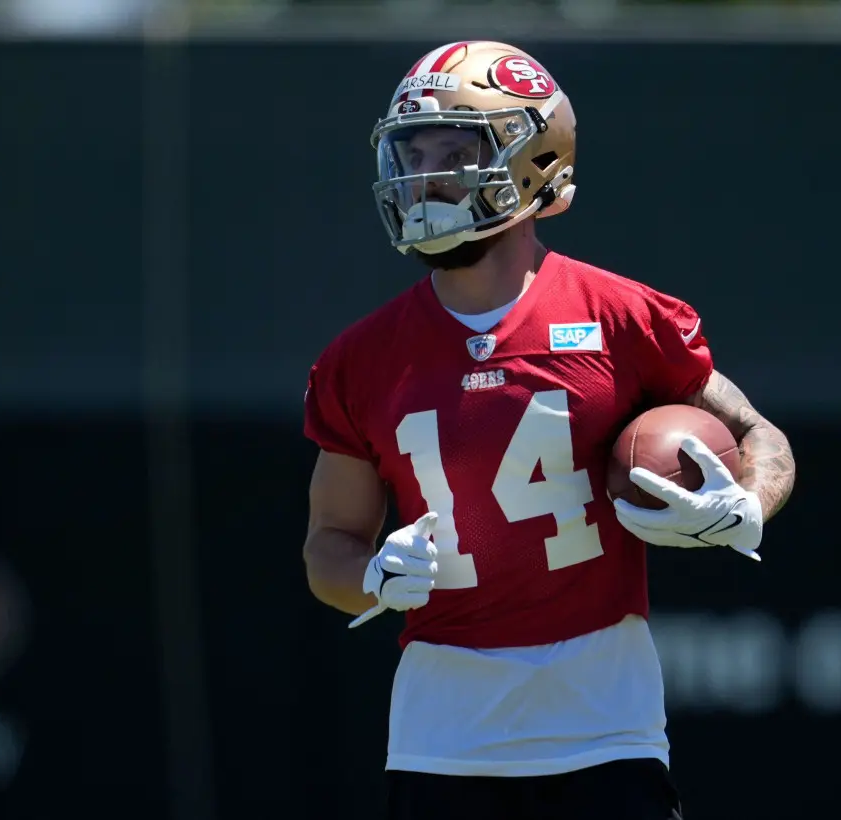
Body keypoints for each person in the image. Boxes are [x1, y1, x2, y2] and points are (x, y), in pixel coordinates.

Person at [302, 41, 796, 820]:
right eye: (413, 151)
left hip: (605, 723)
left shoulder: (619, 316)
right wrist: (368, 577)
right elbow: (328, 543)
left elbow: (759, 434)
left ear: (535, 162)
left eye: (457, 149)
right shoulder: (358, 361)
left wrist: (750, 504)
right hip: (443, 730)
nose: (426, 175)